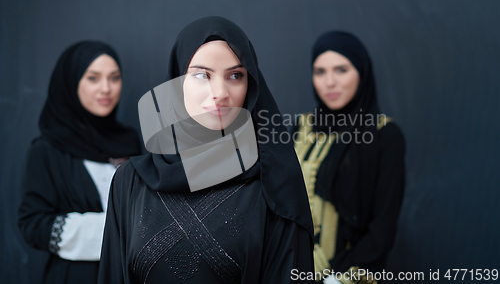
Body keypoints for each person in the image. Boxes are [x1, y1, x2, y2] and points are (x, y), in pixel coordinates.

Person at [97, 16, 314, 284]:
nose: (220, 92)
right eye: (202, 75)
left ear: (251, 86)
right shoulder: (130, 182)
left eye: (235, 75)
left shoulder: (274, 181)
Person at [18, 41, 141, 284]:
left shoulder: (130, 142)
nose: (106, 88)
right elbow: (33, 225)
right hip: (75, 276)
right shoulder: (47, 150)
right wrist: (114, 231)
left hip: (128, 275)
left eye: (114, 78)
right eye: (93, 78)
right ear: (71, 82)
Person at [293, 31, 405, 282]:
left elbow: (382, 228)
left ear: (362, 72)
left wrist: (336, 280)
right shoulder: (302, 127)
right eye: (320, 72)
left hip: (349, 275)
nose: (329, 82)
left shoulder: (384, 135)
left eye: (341, 70)